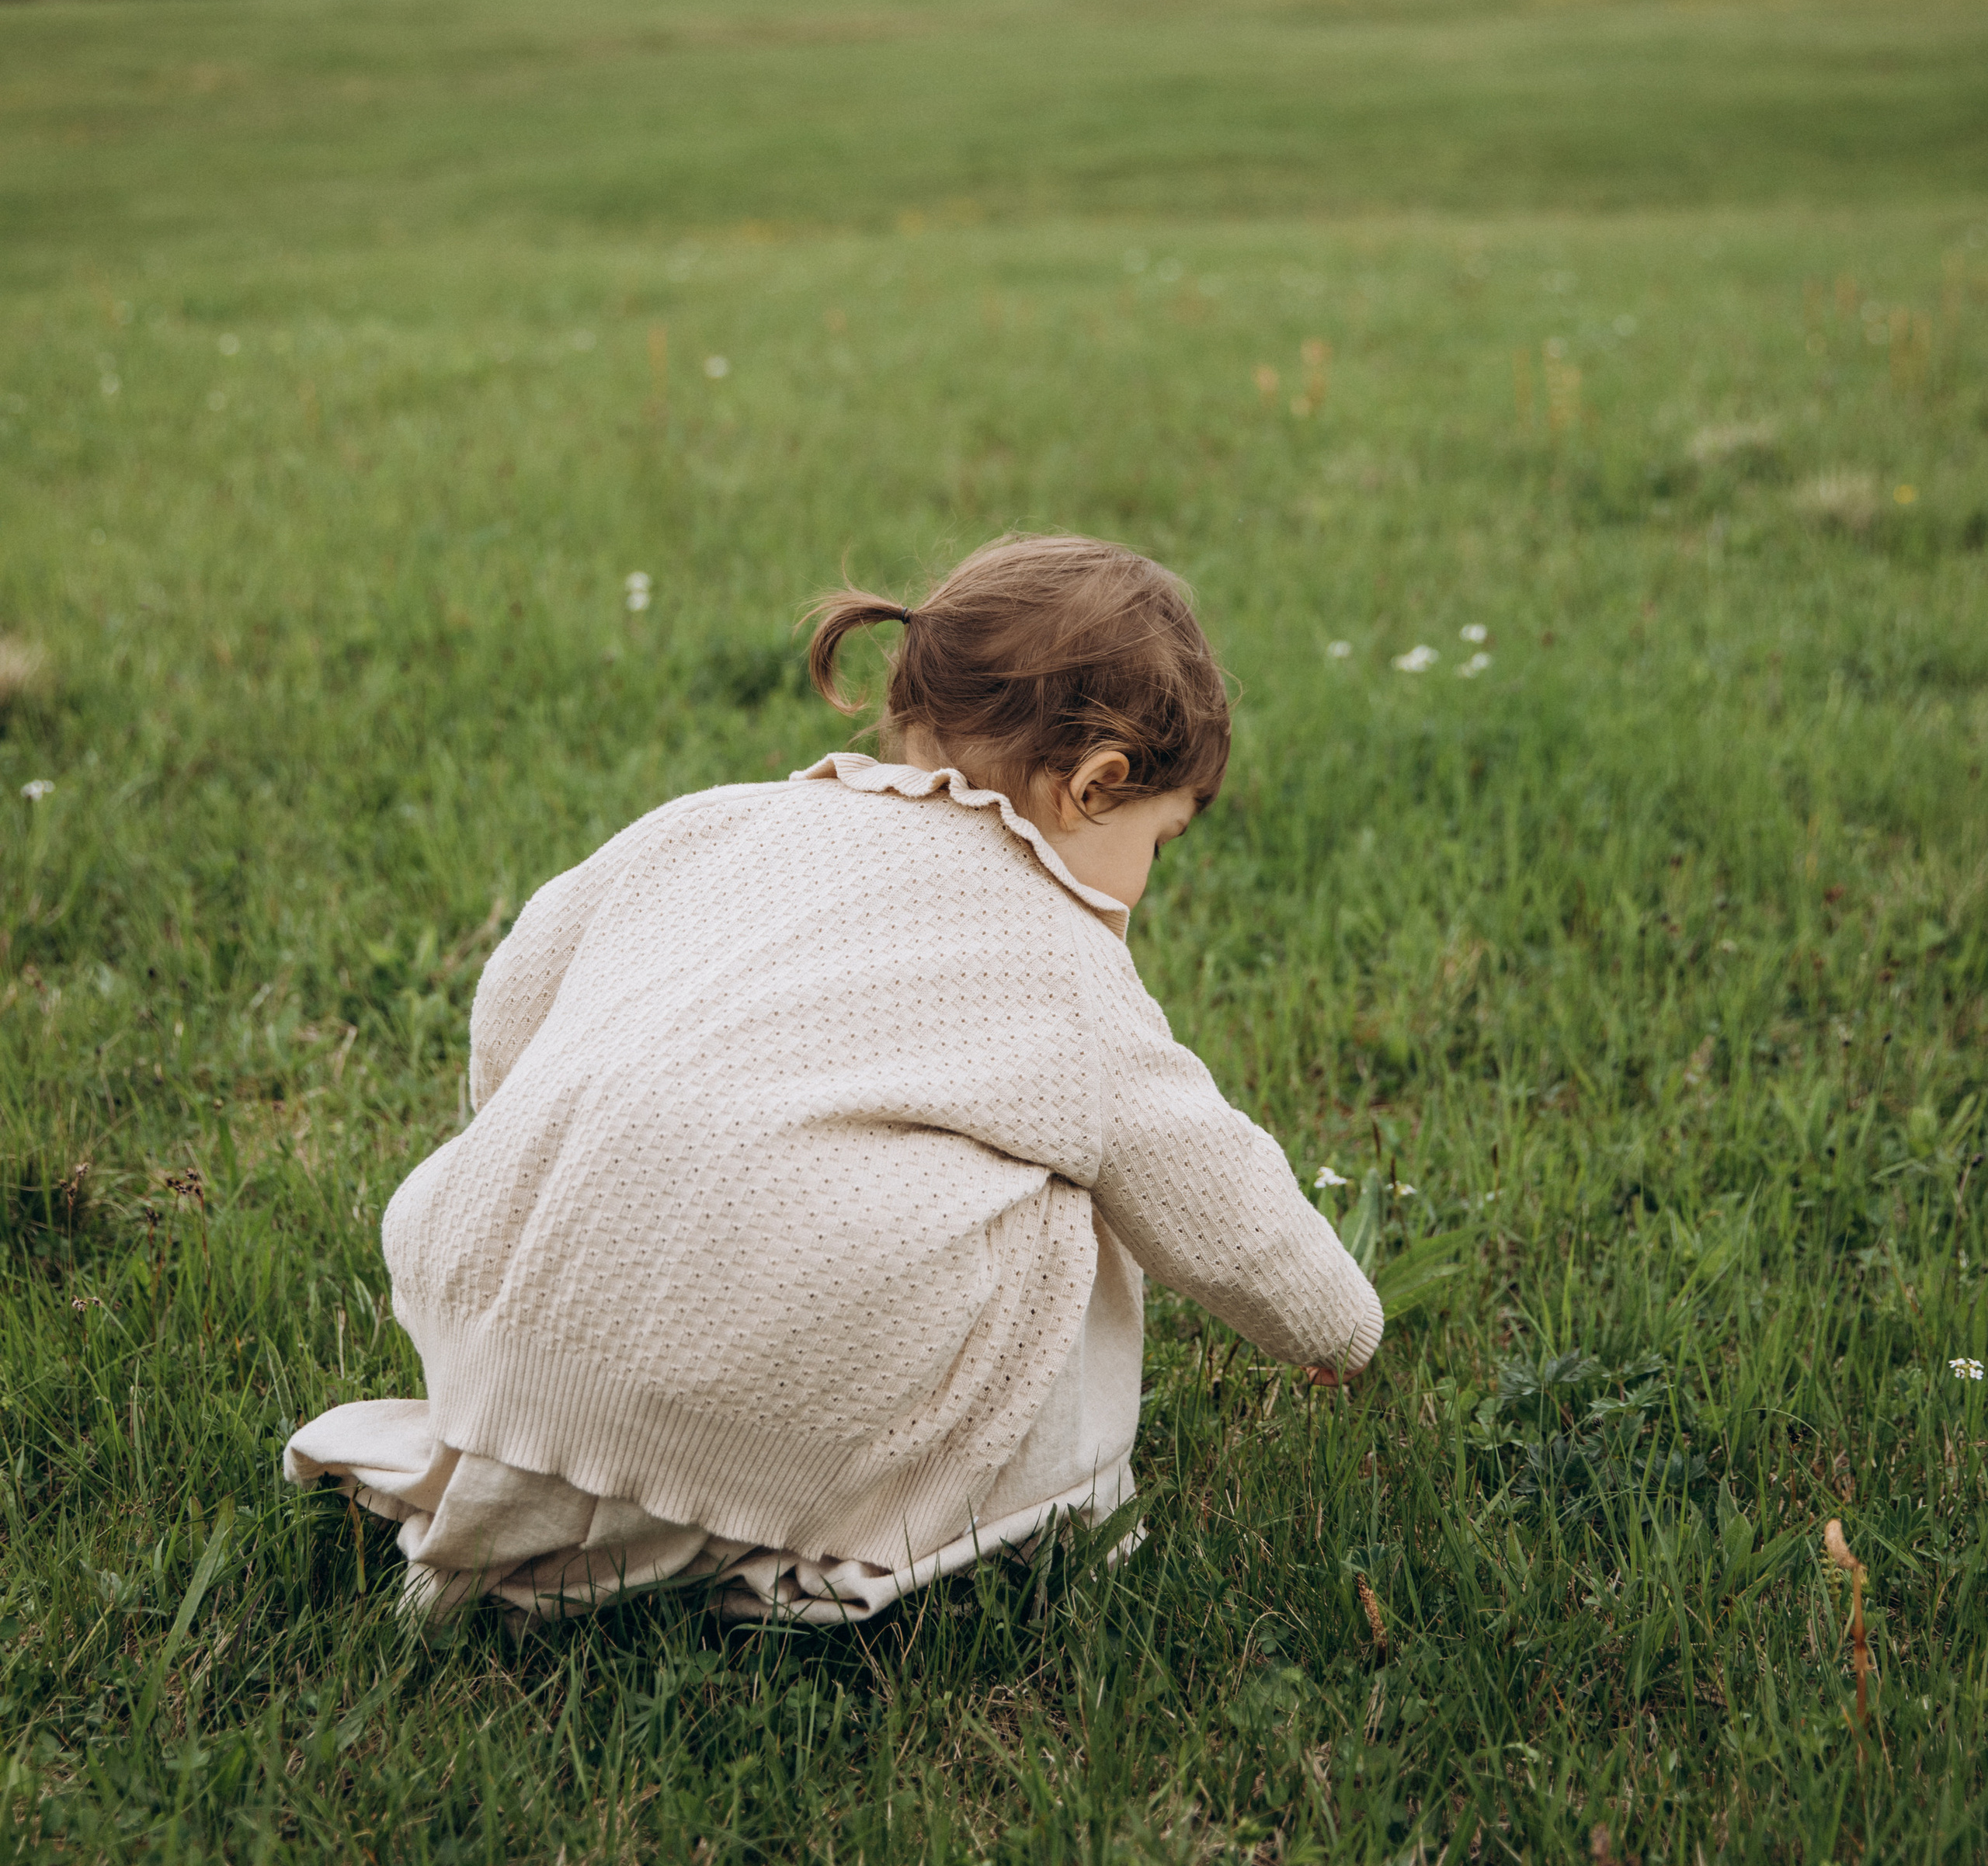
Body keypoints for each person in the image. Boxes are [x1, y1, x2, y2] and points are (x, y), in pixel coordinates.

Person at [285, 533, 1382, 1624]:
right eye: (1160, 840)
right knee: (1064, 1199)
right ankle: (935, 1518)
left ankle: (554, 1508)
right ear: (1096, 787)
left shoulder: (709, 823)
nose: (1148, 879)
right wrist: (1336, 1329)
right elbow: (1211, 1190)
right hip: (764, 1378)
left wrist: (537, 1143)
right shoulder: (1063, 961)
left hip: (502, 1314)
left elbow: (515, 995)